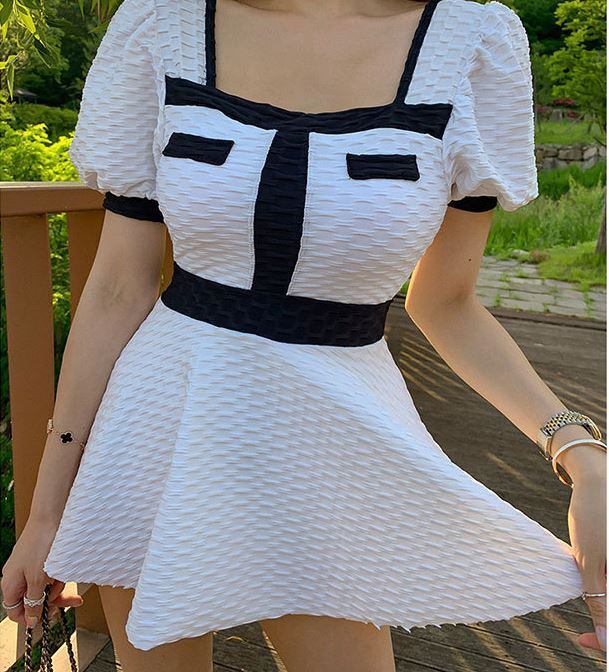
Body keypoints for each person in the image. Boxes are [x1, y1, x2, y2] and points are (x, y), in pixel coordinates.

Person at [1, 1, 606, 670]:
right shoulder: (163, 23)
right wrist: (47, 515)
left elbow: (447, 303)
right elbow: (119, 288)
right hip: (160, 424)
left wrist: (583, 455)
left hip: (331, 436)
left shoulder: (471, 44)